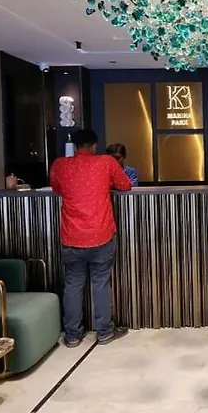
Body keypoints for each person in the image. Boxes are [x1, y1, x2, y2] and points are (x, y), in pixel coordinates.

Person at [50, 129, 132, 348]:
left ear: (75, 146)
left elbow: (57, 189)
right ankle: (104, 332)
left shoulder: (60, 165)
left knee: (73, 285)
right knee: (100, 283)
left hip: (72, 237)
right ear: (94, 145)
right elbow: (125, 185)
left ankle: (72, 336)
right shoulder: (106, 163)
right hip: (101, 235)